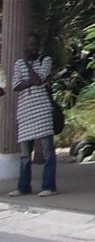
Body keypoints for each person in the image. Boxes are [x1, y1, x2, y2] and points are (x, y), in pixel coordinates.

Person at [9, 34, 56, 197]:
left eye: (35, 45)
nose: (33, 49)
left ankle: (48, 187)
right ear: (26, 46)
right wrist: (29, 78)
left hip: (42, 111)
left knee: (48, 153)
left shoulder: (45, 60)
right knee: (25, 155)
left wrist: (28, 67)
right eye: (30, 46)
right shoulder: (18, 63)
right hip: (25, 112)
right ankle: (23, 187)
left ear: (39, 46)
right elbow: (15, 86)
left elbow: (38, 80)